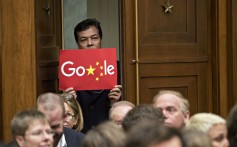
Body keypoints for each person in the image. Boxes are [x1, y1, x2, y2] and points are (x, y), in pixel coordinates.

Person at [64, 18, 122, 133]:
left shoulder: (116, 67)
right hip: (80, 131)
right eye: (83, 40)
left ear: (100, 39)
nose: (90, 43)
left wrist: (115, 102)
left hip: (107, 130)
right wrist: (68, 100)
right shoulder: (68, 69)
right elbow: (64, 109)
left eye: (94, 38)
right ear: (77, 43)